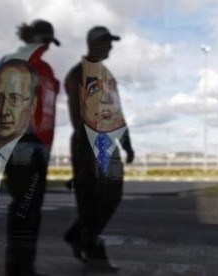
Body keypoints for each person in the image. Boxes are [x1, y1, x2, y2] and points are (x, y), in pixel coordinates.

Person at [64, 26, 134, 272]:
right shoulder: (78, 74)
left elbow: (117, 111)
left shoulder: (107, 75)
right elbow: (77, 113)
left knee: (112, 195)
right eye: (107, 42)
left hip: (108, 141)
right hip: (90, 141)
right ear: (94, 44)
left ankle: (79, 234)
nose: (111, 46)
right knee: (91, 200)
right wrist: (86, 154)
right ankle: (93, 253)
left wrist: (127, 143)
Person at [0, 59, 49, 276]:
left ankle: (20, 266)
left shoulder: (30, 75)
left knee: (29, 211)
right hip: (21, 152)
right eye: (3, 99)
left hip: (34, 151)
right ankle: (20, 268)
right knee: (25, 211)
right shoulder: (15, 71)